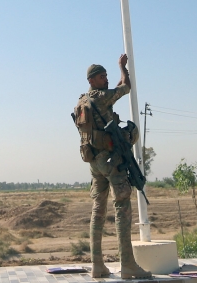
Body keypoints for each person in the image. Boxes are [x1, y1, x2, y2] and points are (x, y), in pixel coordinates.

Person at [73, 54, 151, 279]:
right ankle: (128, 265)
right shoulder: (100, 99)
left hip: (94, 162)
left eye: (107, 75)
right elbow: (125, 87)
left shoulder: (83, 101)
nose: (105, 79)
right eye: (101, 77)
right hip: (110, 160)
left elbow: (113, 92)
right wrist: (122, 67)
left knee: (98, 209)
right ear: (91, 81)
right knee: (122, 206)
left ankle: (97, 266)